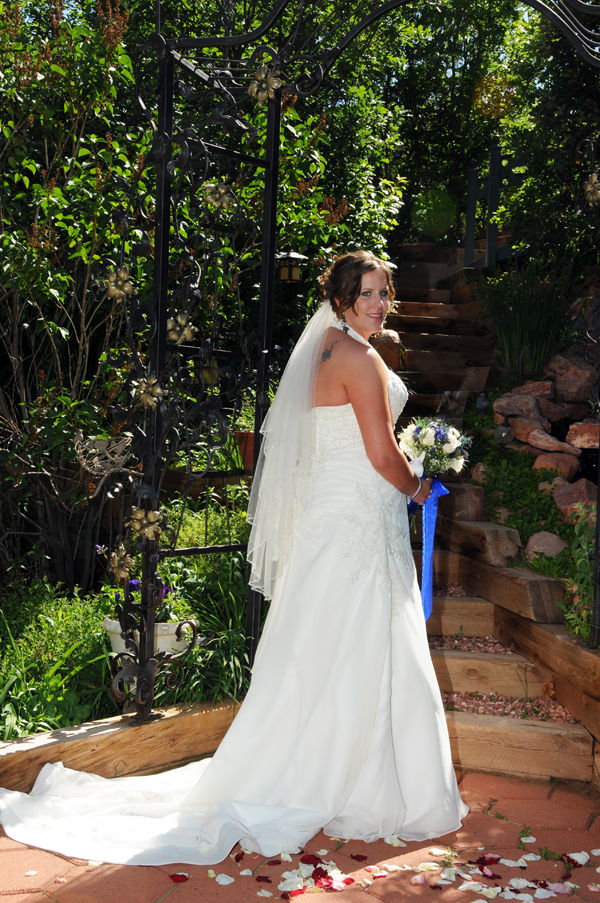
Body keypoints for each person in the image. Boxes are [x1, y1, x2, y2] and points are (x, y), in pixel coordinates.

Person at [0, 250, 467, 866]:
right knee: (356, 642)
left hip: (334, 519)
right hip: (358, 517)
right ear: (343, 297)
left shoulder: (326, 349)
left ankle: (332, 771)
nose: (380, 304)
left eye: (385, 293)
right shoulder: (360, 357)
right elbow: (382, 455)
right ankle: (360, 782)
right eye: (370, 294)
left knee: (321, 646)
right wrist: (422, 485)